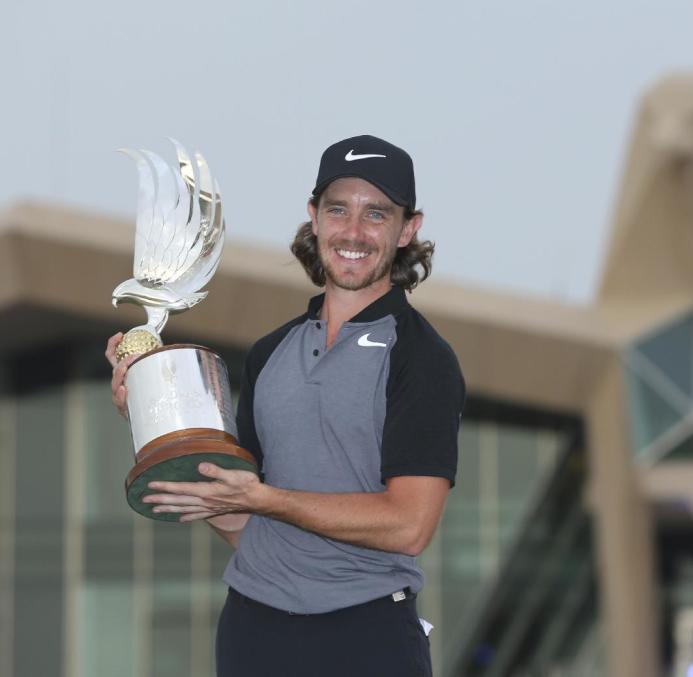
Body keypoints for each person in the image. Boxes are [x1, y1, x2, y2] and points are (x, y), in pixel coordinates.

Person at [105, 135, 465, 677]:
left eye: (376, 214)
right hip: (255, 629)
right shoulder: (271, 353)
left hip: (366, 635)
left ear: (408, 228)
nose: (354, 231)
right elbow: (244, 517)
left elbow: (408, 525)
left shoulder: (422, 357)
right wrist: (156, 408)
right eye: (338, 209)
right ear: (313, 217)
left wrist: (267, 499)